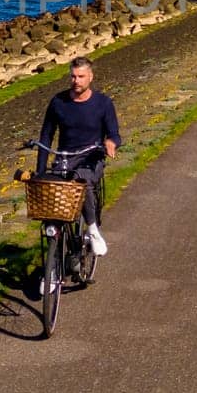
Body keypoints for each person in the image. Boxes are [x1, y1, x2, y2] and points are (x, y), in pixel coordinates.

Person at [36, 56, 120, 256]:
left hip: (91, 158)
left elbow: (114, 134)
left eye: (81, 76)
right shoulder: (58, 102)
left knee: (80, 182)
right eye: (73, 76)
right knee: (51, 202)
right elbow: (46, 136)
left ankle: (93, 231)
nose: (76, 81)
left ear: (90, 77)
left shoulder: (103, 103)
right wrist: (40, 171)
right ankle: (54, 267)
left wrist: (111, 143)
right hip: (64, 157)